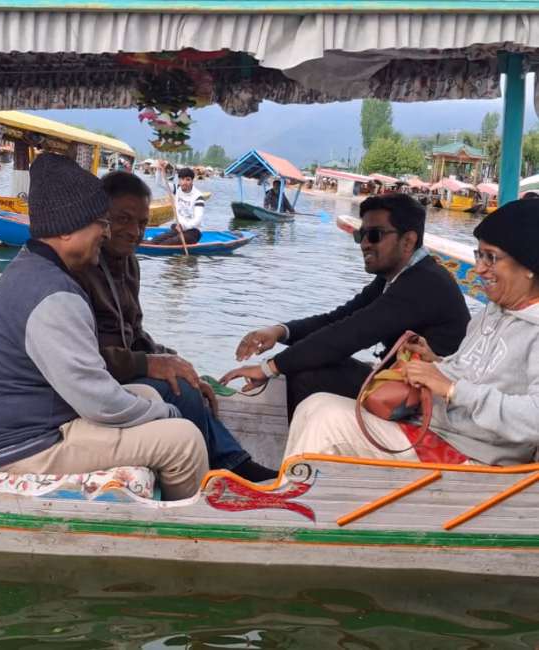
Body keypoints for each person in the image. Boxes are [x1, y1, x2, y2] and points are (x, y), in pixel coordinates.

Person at [0, 153, 208, 500]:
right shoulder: (53, 295)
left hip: (21, 428)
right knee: (184, 441)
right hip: (21, 447)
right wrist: (168, 414)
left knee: (150, 395)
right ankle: (181, 526)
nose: (106, 233)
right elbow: (98, 402)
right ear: (67, 228)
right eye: (102, 223)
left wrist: (155, 406)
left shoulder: (30, 267)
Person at [284, 199, 539, 466]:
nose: (480, 268)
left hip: (473, 453)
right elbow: (475, 373)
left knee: (326, 420)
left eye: (491, 257)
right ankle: (293, 486)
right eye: (479, 255)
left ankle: (291, 489)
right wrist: (436, 363)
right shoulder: (494, 312)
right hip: (434, 427)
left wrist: (451, 389)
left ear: (529, 265)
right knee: (315, 405)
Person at [73, 171, 278, 483]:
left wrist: (169, 358)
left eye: (142, 223)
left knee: (188, 378)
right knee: (181, 391)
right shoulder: (83, 268)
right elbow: (86, 357)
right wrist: (151, 363)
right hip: (99, 379)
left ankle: (232, 463)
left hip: (123, 367)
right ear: (100, 218)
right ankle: (217, 475)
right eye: (123, 219)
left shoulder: (129, 262)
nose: (134, 232)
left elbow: (134, 332)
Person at [220, 194, 470, 421]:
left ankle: (304, 455)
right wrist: (280, 331)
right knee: (304, 361)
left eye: (374, 235)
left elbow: (349, 335)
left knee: (309, 373)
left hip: (427, 400)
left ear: (408, 241)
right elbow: (338, 319)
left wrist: (268, 368)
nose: (364, 244)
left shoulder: (424, 283)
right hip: (397, 379)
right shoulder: (395, 278)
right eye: (361, 235)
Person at [150, 161, 205, 245]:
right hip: (178, 228)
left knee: (165, 244)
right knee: (153, 242)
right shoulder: (177, 189)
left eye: (187, 180)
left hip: (193, 232)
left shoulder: (198, 197)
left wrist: (183, 226)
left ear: (192, 181)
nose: (184, 183)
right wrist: (159, 170)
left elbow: (197, 221)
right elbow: (160, 183)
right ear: (179, 180)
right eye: (182, 179)